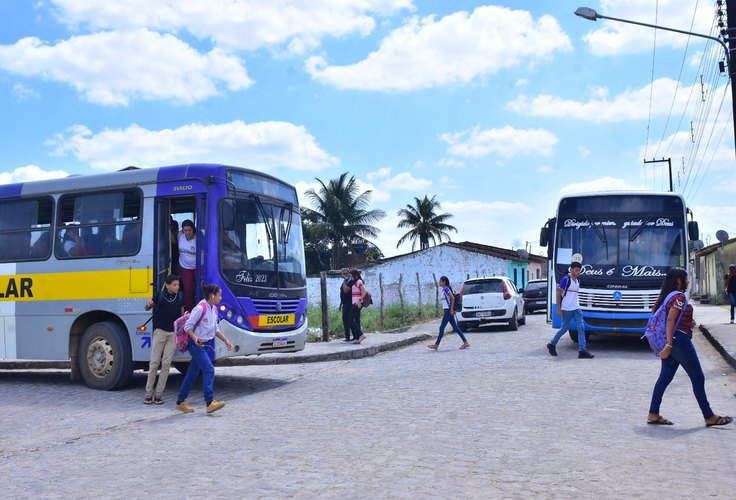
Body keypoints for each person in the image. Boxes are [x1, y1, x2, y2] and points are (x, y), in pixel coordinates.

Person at [647, 267, 733, 427]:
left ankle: (653, 413)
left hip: (673, 339)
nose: (687, 281)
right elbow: (671, 320)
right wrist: (670, 344)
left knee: (665, 377)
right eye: (685, 278)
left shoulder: (668, 296)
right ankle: (709, 416)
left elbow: (675, 318)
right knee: (698, 377)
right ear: (678, 280)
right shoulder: (679, 297)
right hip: (679, 341)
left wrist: (688, 324)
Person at [175, 284, 233, 414]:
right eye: (219, 294)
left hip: (205, 344)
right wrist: (195, 338)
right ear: (212, 296)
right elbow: (187, 326)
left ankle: (180, 402)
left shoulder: (214, 309)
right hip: (196, 345)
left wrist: (226, 340)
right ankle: (209, 402)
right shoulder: (200, 308)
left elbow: (215, 329)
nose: (221, 297)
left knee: (192, 374)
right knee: (209, 369)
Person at [143, 274, 184, 405]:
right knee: (154, 362)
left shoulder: (181, 296)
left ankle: (159, 395)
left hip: (173, 334)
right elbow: (147, 307)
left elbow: (182, 316)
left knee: (166, 364)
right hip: (160, 332)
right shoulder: (159, 295)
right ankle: (148, 394)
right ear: (167, 285)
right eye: (174, 285)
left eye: (178, 285)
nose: (177, 287)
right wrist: (148, 304)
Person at [546, 261, 594, 359]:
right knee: (564, 329)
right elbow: (559, 293)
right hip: (567, 309)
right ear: (571, 269)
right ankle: (552, 344)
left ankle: (582, 350)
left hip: (576, 308)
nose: (578, 272)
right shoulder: (566, 280)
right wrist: (559, 309)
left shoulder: (578, 281)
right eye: (576, 270)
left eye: (579, 270)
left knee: (581, 328)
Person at [428, 276, 469, 350]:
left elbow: (452, 298)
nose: (439, 283)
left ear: (444, 282)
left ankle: (436, 345)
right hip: (447, 311)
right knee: (455, 327)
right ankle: (465, 342)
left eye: (440, 281)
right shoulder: (444, 289)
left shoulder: (446, 289)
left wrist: (451, 310)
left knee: (442, 328)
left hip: (448, 311)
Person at [178, 219, 197, 311]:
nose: (188, 232)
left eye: (189, 230)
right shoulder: (180, 236)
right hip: (185, 267)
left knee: (200, 288)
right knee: (188, 289)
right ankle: (190, 310)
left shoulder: (197, 238)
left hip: (198, 266)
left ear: (193, 229)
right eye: (185, 230)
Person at [348, 269, 368, 344]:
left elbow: (365, 291)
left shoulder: (359, 281)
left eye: (351, 276)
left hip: (358, 303)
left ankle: (361, 334)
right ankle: (357, 337)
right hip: (354, 303)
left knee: (350, 319)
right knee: (356, 320)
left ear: (355, 275)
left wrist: (359, 301)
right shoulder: (354, 282)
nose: (351, 277)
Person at [338, 268, 354, 342]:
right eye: (343, 274)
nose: (344, 275)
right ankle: (347, 336)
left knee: (349, 320)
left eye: (346, 273)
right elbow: (343, 294)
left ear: (349, 273)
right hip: (345, 303)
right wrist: (340, 304)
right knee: (345, 320)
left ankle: (354, 336)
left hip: (349, 303)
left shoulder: (350, 281)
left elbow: (346, 291)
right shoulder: (345, 281)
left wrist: (345, 280)